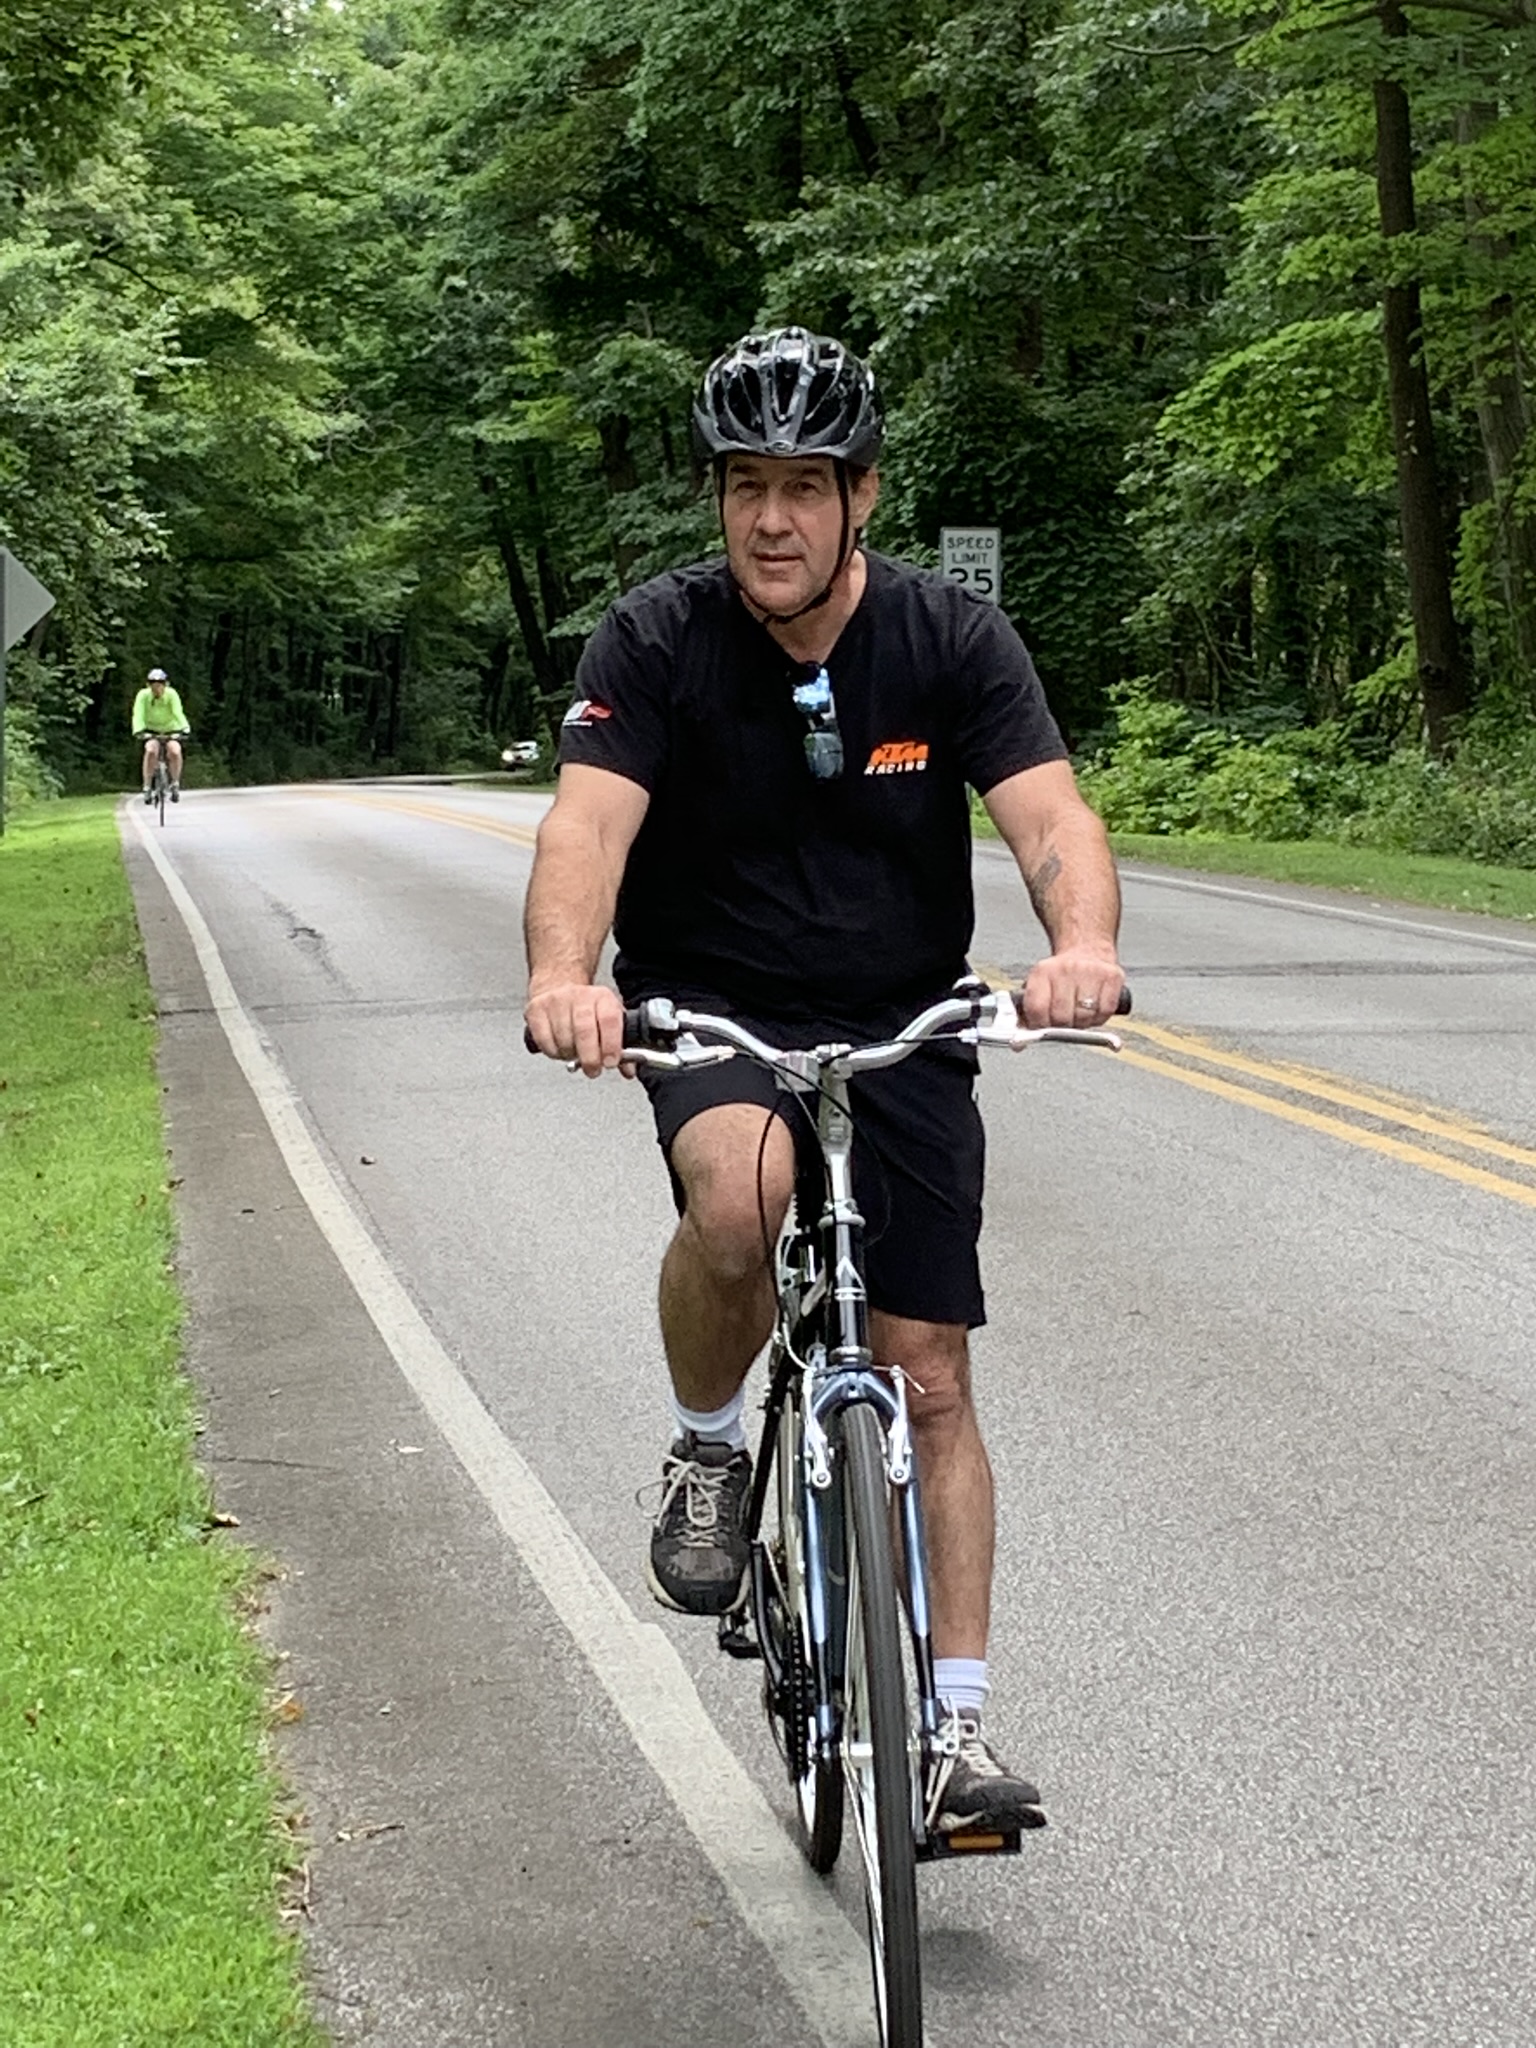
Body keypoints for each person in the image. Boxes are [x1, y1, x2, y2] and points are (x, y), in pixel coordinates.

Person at [523, 326, 1124, 1834]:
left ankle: (957, 1736)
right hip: (713, 1004)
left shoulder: (951, 641)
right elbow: (586, 832)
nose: (771, 520)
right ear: (717, 497)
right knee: (742, 1193)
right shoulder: (654, 642)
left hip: (904, 1012)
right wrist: (561, 976)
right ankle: (714, 1449)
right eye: (744, 486)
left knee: (927, 1371)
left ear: (864, 494)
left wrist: (1083, 945)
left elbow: (1051, 818)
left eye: (804, 486)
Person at [132, 667, 189, 801]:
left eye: (160, 684)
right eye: (153, 684)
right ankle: (147, 786)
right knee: (151, 750)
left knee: (175, 751)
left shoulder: (172, 695)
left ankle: (175, 783)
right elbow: (138, 714)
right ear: (148, 685)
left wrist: (184, 728)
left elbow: (178, 712)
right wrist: (138, 730)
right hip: (151, 731)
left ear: (165, 685)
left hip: (171, 730)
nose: (157, 688)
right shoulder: (143, 696)